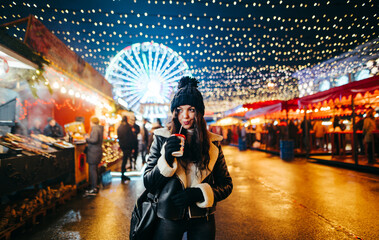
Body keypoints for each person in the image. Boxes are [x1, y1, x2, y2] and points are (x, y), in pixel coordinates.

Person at [144, 76, 233, 240]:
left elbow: (226, 185)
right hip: (169, 216)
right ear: (174, 112)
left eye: (191, 109)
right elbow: (148, 182)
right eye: (179, 109)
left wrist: (200, 194)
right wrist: (166, 160)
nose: (185, 116)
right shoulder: (161, 137)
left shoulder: (213, 143)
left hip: (202, 217)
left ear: (199, 112)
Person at [84, 117, 104, 196]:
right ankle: (96, 186)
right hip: (97, 151)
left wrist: (87, 139)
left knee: (92, 170)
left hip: (93, 152)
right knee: (95, 169)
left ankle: (93, 188)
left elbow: (94, 140)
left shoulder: (95, 129)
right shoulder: (99, 128)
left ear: (92, 122)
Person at [117, 116, 134, 181]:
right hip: (127, 146)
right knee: (125, 160)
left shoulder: (119, 127)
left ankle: (123, 174)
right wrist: (132, 147)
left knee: (124, 160)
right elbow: (131, 137)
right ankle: (123, 175)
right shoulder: (128, 127)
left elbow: (119, 137)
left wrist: (121, 145)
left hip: (123, 146)